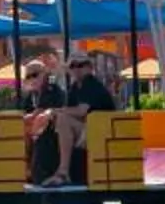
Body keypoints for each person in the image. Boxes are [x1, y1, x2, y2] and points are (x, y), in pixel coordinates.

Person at [38, 53, 115, 187]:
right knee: (56, 122)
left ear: (89, 67)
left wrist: (54, 111)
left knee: (62, 120)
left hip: (105, 133)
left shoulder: (91, 84)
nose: (76, 69)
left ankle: (63, 172)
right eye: (73, 66)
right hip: (89, 130)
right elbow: (69, 111)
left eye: (80, 65)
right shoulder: (75, 87)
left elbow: (81, 111)